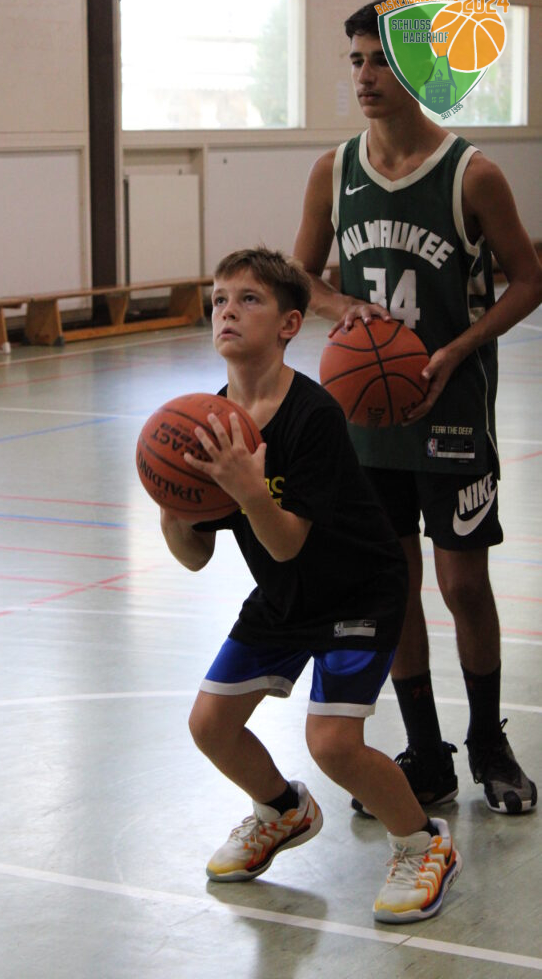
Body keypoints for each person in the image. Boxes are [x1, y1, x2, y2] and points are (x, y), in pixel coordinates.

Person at [158, 246, 461, 923]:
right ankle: (281, 810)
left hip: (358, 590)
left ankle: (423, 843)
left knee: (332, 743)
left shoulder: (313, 414)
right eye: (219, 299)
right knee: (210, 725)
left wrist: (247, 488)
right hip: (285, 596)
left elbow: (286, 541)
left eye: (249, 299)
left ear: (290, 324)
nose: (227, 311)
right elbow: (194, 558)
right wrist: (173, 508)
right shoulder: (206, 421)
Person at [293, 1, 541, 817]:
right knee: (393, 585)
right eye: (356, 60)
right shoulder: (333, 170)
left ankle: (487, 742)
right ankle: (425, 752)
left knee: (462, 584)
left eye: (381, 61)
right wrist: (341, 310)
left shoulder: (471, 174)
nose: (364, 76)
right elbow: (302, 277)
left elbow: (528, 279)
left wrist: (460, 347)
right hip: (365, 420)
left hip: (451, 407)